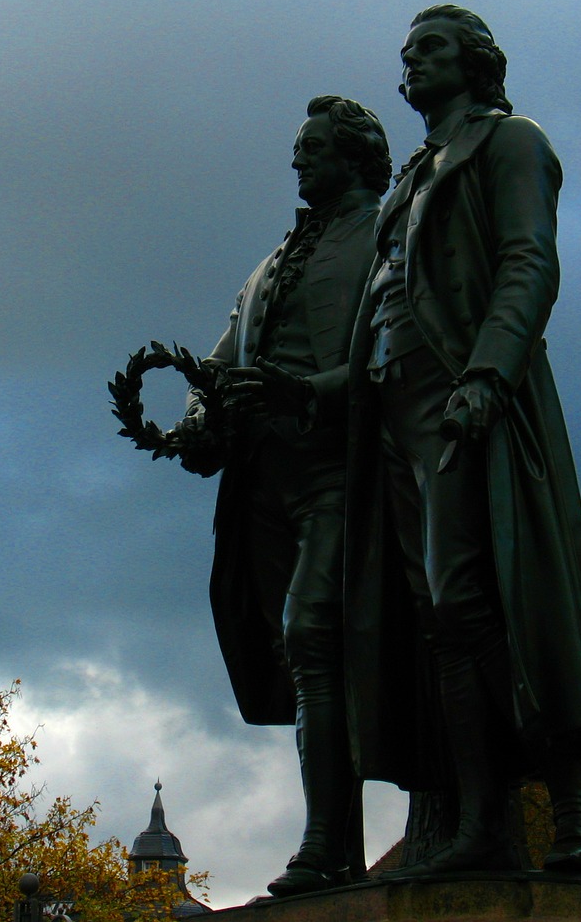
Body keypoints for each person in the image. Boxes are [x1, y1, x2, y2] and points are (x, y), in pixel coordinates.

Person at [330, 5, 581, 876]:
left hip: (464, 401)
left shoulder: (510, 143)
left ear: (477, 62)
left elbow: (530, 259)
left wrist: (489, 376)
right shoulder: (409, 177)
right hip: (391, 416)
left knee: (495, 598)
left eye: (429, 49)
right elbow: (381, 299)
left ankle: (574, 811)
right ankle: (481, 818)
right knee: (439, 620)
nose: (409, 65)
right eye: (406, 53)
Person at [178, 95, 391, 896]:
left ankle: (321, 842)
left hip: (346, 470)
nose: (298, 160)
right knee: (304, 657)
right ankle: (337, 848)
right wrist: (200, 418)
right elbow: (224, 353)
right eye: (297, 148)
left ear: (357, 154)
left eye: (313, 148)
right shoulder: (273, 259)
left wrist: (308, 393)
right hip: (266, 484)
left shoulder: (386, 231)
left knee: (312, 635)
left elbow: (397, 350)